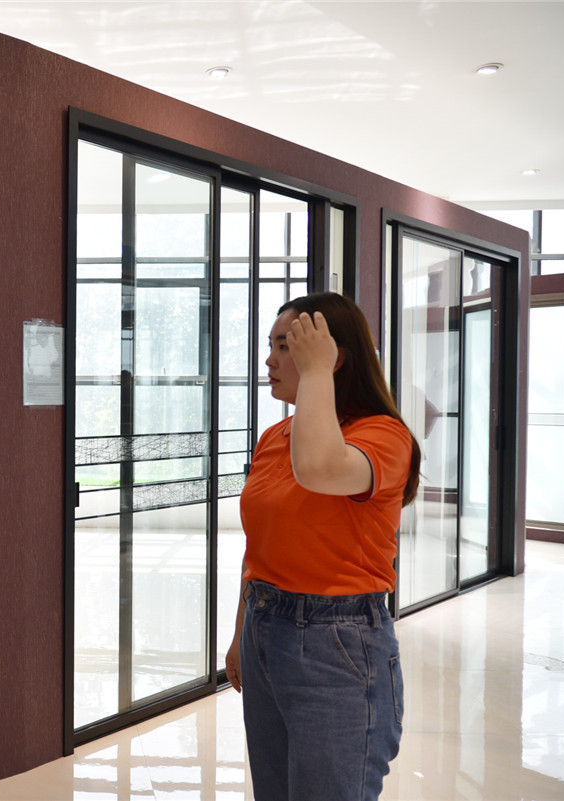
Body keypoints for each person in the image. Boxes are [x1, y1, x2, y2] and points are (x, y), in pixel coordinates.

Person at [224, 292, 421, 801]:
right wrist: (242, 631)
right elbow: (260, 547)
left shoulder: (383, 436)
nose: (269, 361)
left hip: (336, 641)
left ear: (334, 357)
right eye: (271, 345)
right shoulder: (276, 435)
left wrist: (316, 372)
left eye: (286, 346)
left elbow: (319, 469)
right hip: (266, 623)